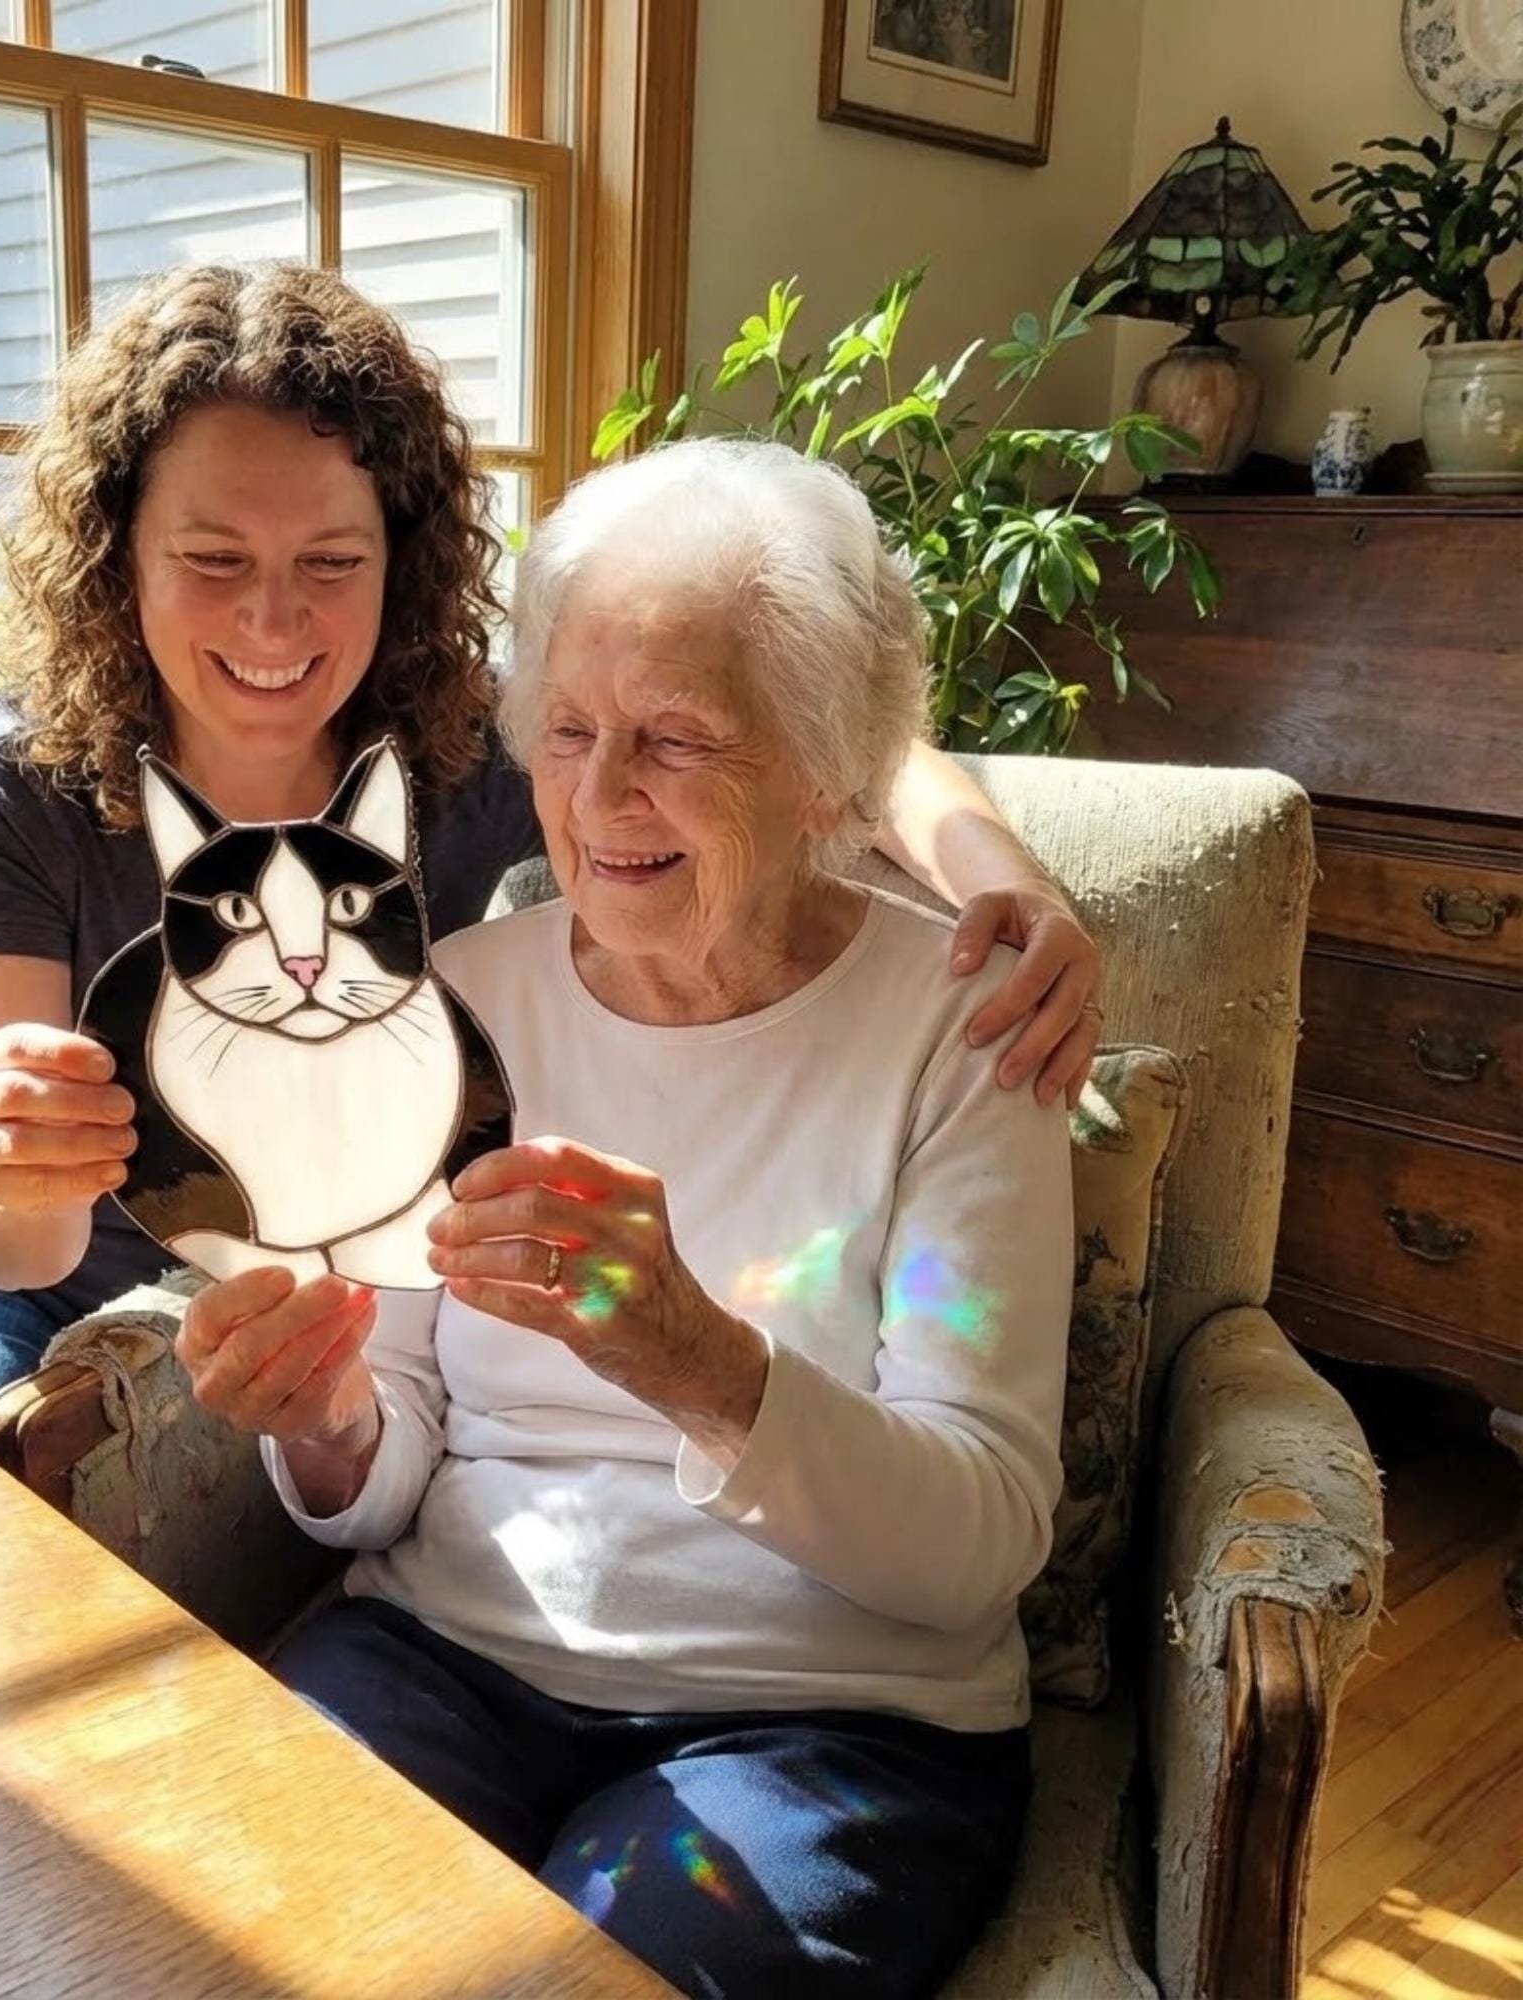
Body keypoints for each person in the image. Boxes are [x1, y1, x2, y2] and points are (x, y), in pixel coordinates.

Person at [0, 261, 1101, 1442]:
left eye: (331, 560)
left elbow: (828, 740)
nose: (273, 617)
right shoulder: (17, 774)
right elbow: (12, 1242)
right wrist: (13, 1168)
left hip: (314, 1287)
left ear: (401, 559)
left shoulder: (459, 745)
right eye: (212, 559)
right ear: (119, 562)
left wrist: (1008, 883)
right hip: (13, 1287)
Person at [179, 436, 1073, 1999]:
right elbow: (382, 1452)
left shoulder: (965, 1036)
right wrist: (322, 1415)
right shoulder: (448, 1006)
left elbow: (981, 1541)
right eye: (572, 728)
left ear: (827, 771)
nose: (598, 800)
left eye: (676, 738)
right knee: (222, 1925)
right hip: (449, 1657)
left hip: (828, 1719)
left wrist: (701, 1363)